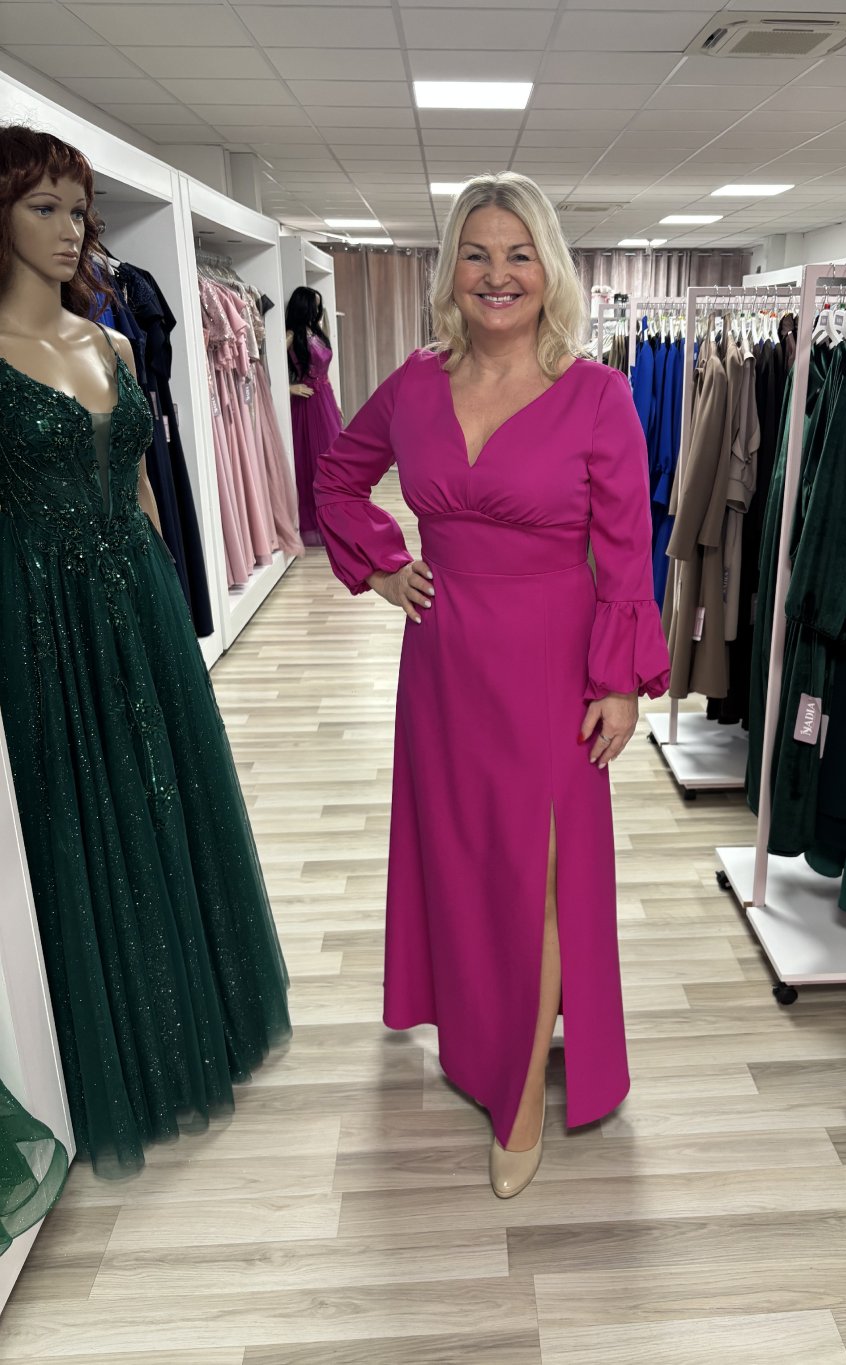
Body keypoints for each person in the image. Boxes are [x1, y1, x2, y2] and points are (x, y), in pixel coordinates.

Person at [315, 172, 669, 1198]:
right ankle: (482, 1034)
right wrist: (385, 565)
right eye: (477, 253)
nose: (497, 274)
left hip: (552, 662)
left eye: (519, 254)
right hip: (443, 661)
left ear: (548, 269)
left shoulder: (596, 393)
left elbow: (627, 549)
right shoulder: (415, 383)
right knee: (465, 862)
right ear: (452, 271)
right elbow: (337, 473)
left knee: (543, 875)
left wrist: (619, 682)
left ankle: (517, 1096)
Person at [0, 125, 291, 1177]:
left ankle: (198, 1019)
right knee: (81, 820)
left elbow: (137, 493)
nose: (69, 228)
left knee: (166, 801)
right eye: (43, 206)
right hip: (43, 619)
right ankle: (110, 1054)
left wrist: (172, 606)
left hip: (141, 602)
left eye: (78, 210)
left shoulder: (113, 346)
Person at [287, 285, 343, 547]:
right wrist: (289, 388)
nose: (318, 311)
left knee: (333, 461)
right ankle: (316, 523)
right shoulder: (291, 336)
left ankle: (336, 521)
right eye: (315, 306)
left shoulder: (316, 332)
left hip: (325, 400)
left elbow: (325, 371)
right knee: (312, 462)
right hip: (308, 404)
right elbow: (265, 367)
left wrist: (335, 402)